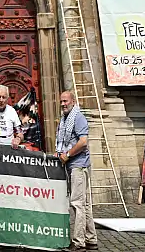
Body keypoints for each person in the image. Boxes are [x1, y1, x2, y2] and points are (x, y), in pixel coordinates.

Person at [56, 91, 98, 251]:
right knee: (85, 204)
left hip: (78, 166)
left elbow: (83, 142)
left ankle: (79, 242)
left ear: (73, 101)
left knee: (77, 203)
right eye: (61, 101)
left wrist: (67, 154)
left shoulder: (78, 117)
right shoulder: (65, 119)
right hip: (74, 165)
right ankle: (91, 239)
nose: (63, 104)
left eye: (66, 101)